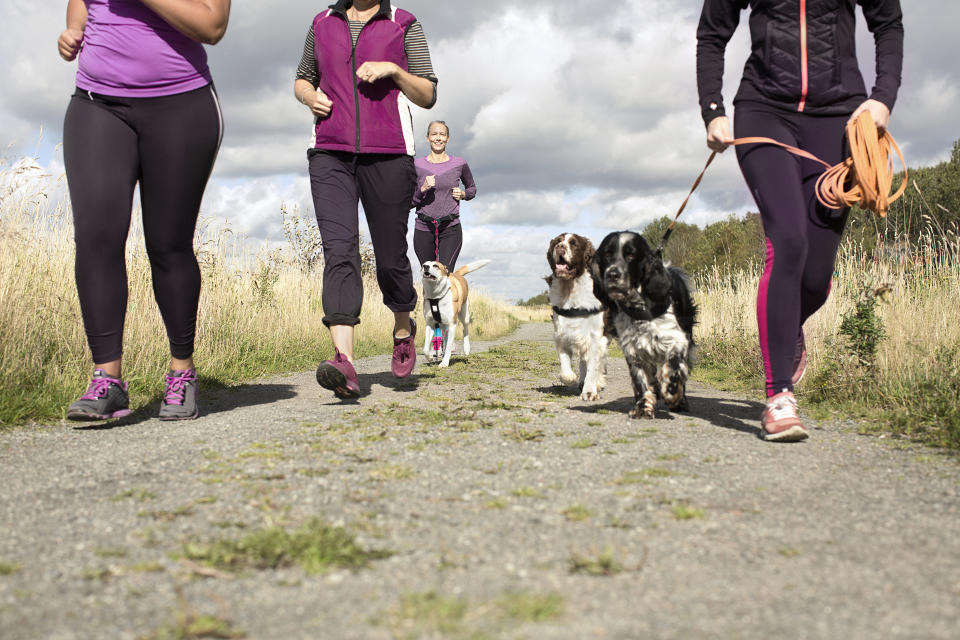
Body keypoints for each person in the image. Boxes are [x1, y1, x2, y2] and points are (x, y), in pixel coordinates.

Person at [696, 0, 903, 442]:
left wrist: (882, 99)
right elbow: (712, 33)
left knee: (816, 276)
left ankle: (787, 330)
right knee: (788, 241)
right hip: (764, 110)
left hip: (839, 119)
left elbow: (888, 24)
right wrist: (713, 109)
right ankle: (779, 397)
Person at [58, 0, 231, 421]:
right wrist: (73, 30)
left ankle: (181, 372)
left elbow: (212, 24)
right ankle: (107, 379)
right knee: (97, 238)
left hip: (182, 105)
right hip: (97, 103)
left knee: (168, 244)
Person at [294, 0, 437, 399]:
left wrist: (393, 70)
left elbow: (427, 93)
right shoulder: (322, 22)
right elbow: (303, 78)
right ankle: (344, 362)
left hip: (389, 154)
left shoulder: (403, 23)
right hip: (330, 152)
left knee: (390, 253)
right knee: (339, 250)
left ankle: (404, 327)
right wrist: (308, 96)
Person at [412, 121, 477, 270]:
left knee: (445, 274)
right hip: (424, 228)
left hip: (450, 228)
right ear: (427, 138)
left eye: (442, 134)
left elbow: (472, 188)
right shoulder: (417, 165)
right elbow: (408, 201)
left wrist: (463, 194)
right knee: (428, 277)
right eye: (434, 134)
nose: (438, 138)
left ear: (448, 138)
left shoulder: (459, 164)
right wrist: (422, 189)